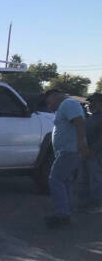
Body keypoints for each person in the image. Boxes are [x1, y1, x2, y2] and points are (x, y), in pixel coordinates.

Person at [43, 89, 89, 227]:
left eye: (48, 101)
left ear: (54, 96)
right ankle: (66, 213)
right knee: (65, 181)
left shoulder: (68, 103)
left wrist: (80, 143)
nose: (47, 105)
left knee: (55, 179)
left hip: (70, 150)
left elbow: (79, 122)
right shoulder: (64, 107)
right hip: (67, 151)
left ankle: (62, 214)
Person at [76, 92, 102, 212]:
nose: (90, 104)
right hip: (86, 153)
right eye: (90, 102)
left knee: (96, 179)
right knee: (84, 178)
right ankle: (86, 203)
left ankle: (98, 205)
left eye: (93, 102)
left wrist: (92, 151)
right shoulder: (91, 117)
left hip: (96, 154)